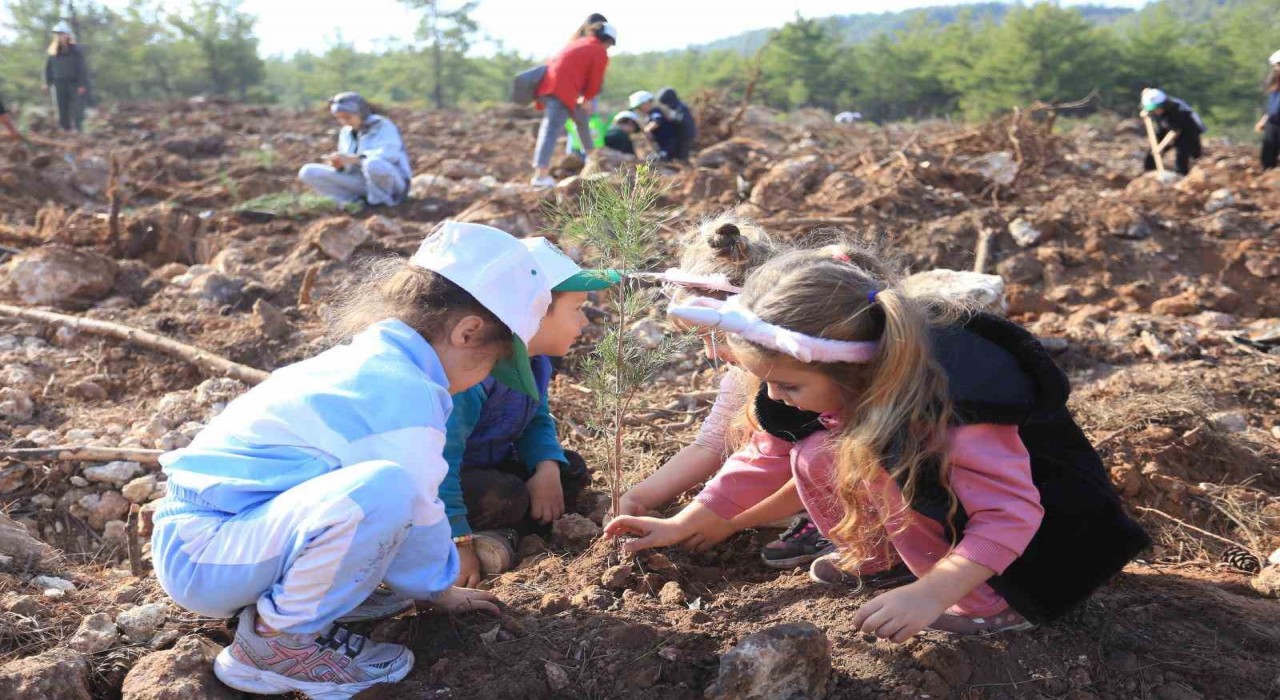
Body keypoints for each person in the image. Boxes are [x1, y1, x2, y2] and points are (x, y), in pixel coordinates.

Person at [609, 242, 1151, 640]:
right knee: (817, 453)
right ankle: (886, 557)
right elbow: (765, 455)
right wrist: (688, 520)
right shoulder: (831, 383)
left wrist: (932, 594)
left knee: (876, 466)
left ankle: (987, 603)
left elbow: (1010, 516)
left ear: (850, 370)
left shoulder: (957, 409)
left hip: (1047, 549)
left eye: (788, 385)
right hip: (957, 513)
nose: (775, 396)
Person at [151, 221, 558, 697]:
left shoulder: (373, 360)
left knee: (381, 492)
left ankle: (303, 605)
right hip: (207, 555)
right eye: (494, 363)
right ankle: (276, 644)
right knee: (385, 489)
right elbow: (422, 508)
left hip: (219, 540)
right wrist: (439, 587)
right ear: (469, 332)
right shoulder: (405, 394)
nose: (487, 376)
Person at [614, 216, 832, 569]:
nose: (710, 353)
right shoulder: (743, 376)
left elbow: (817, 461)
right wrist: (638, 497)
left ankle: (838, 525)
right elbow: (713, 444)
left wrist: (726, 520)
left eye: (717, 337)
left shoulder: (819, 372)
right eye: (701, 338)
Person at [443, 237, 620, 586]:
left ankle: (507, 531)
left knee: (569, 470)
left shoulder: (536, 363)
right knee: (505, 495)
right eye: (576, 309)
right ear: (534, 312)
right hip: (447, 483)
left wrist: (546, 466)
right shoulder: (473, 375)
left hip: (493, 463)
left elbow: (535, 419)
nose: (583, 321)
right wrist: (457, 540)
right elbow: (441, 464)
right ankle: (483, 539)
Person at [530, 21, 616, 187]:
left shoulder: (577, 43)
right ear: (607, 40)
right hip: (561, 92)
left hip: (554, 88)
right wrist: (588, 98)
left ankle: (592, 161)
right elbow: (595, 79)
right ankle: (540, 176)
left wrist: (583, 99)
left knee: (582, 120)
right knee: (550, 131)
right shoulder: (598, 50)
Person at [298, 92, 412, 210]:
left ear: (360, 112)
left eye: (347, 117)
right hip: (363, 182)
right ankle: (354, 203)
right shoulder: (346, 132)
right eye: (339, 118)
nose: (344, 122)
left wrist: (356, 158)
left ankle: (382, 203)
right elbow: (350, 165)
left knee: (373, 163)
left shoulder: (383, 126)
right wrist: (341, 165)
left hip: (392, 183)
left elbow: (390, 153)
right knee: (308, 172)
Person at [1140, 87, 1205, 176]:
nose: (1156, 111)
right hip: (1167, 127)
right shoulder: (1155, 107)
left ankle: (1182, 176)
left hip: (1187, 129)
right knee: (1152, 152)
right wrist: (1145, 111)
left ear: (1164, 104)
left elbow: (1175, 131)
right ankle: (1149, 173)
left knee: (1183, 155)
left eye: (1157, 108)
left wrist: (1161, 147)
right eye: (1152, 109)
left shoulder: (1176, 110)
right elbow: (1145, 92)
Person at [43, 20, 90, 133]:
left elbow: (81, 68)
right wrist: (46, 83)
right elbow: (48, 68)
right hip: (59, 83)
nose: (60, 36)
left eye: (62, 34)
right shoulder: (53, 51)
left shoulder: (76, 50)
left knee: (77, 107)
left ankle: (79, 129)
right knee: (61, 107)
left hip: (74, 83)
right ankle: (65, 129)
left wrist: (82, 84)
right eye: (58, 34)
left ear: (68, 35)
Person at [1256, 51, 1280, 170]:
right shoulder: (1276, 84)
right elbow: (1273, 107)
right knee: (1268, 157)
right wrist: (1264, 120)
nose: (1276, 68)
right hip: (1274, 123)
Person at [657, 87, 697, 161]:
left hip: (685, 136)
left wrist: (669, 119)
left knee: (682, 156)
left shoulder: (681, 108)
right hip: (680, 136)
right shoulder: (675, 107)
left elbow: (683, 121)